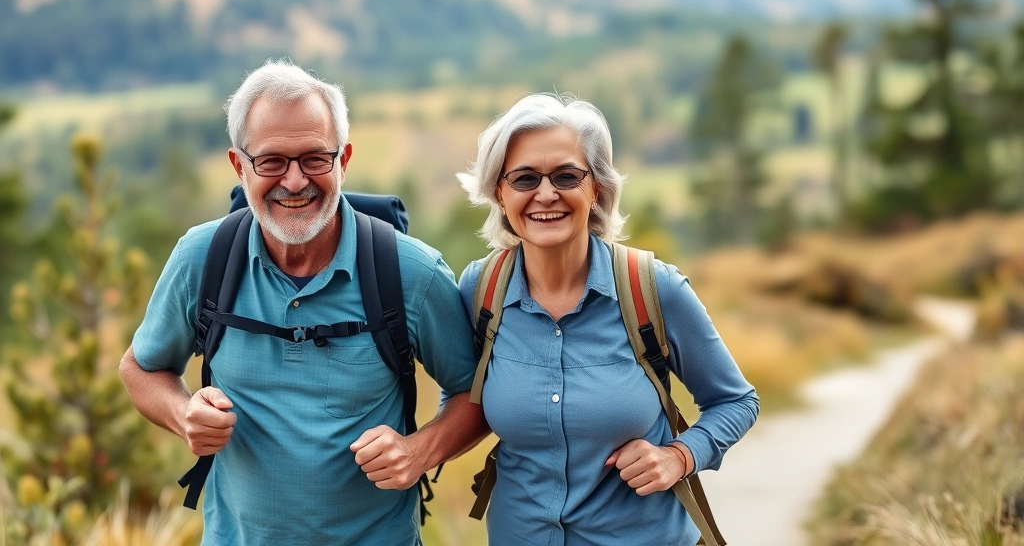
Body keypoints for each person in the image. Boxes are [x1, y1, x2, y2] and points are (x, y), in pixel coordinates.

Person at [119, 59, 488, 545]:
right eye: (271, 161)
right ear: (239, 165)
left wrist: (420, 451)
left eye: (315, 158)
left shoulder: (411, 272)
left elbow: (477, 394)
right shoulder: (202, 258)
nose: (294, 181)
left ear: (344, 159)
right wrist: (184, 415)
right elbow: (140, 369)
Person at [455, 93, 759, 545]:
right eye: (523, 179)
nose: (545, 193)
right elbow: (462, 402)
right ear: (499, 192)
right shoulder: (481, 291)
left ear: (595, 187)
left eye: (566, 176)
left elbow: (736, 401)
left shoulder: (653, 289)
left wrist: (679, 455)